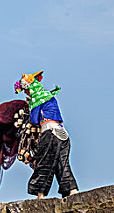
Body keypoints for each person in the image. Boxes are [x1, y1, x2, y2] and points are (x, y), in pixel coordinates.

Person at [14, 71, 78, 199]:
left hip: (49, 133)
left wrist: (31, 106)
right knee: (62, 162)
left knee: (44, 161)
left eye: (26, 91)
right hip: (62, 134)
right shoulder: (50, 98)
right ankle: (72, 190)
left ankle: (40, 194)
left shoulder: (37, 100)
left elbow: (34, 120)